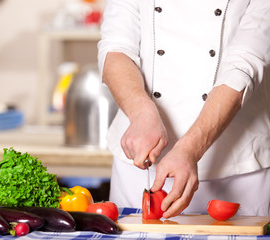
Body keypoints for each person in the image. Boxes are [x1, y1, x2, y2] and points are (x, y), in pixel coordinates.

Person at [98, 0, 270, 218]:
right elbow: (116, 48)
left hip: (238, 169)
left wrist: (190, 149)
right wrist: (141, 112)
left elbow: (244, 63)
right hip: (141, 166)